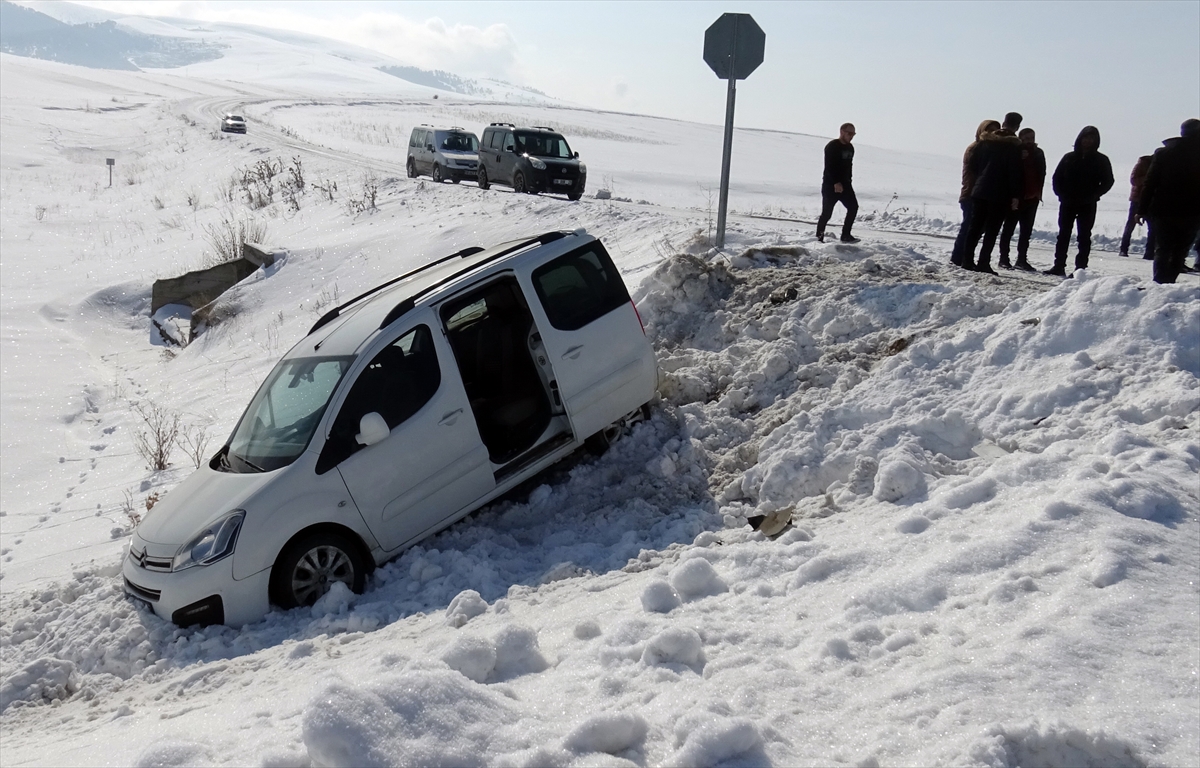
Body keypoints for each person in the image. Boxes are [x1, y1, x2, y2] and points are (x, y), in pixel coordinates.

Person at [1044, 126, 1114, 277]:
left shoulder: (1101, 160)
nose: (1087, 141)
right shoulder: (1069, 157)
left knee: (1084, 236)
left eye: (1091, 138)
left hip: (1087, 203)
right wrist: (1061, 194)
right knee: (1063, 234)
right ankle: (1058, 265)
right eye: (1085, 137)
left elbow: (1108, 181)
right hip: (1067, 202)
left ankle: (1080, 269)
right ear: (1080, 138)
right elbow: (1057, 178)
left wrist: (1095, 195)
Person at [1138, 118, 1200, 284]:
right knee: (1180, 250)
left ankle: (1160, 282)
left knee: (1163, 248)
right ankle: (1169, 281)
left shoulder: (1164, 153)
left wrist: (1141, 209)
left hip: (1163, 209)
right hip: (1191, 211)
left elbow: (1150, 183)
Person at [960, 113, 1022, 274]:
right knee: (992, 229)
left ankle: (967, 260)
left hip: (980, 190)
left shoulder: (985, 142)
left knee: (975, 227)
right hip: (1001, 193)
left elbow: (973, 165)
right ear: (1017, 127)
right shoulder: (1013, 146)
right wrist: (1016, 194)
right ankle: (983, 262)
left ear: (1004, 123)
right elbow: (1014, 172)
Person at [951, 119, 1000, 266]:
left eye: (995, 131)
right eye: (989, 130)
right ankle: (958, 257)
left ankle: (963, 256)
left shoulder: (988, 149)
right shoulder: (976, 148)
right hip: (970, 193)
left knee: (976, 228)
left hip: (980, 194)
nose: (992, 134)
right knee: (968, 227)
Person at [998, 127, 1046, 271]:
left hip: (1032, 198)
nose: (1029, 142)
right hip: (1017, 197)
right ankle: (1003, 258)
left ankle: (1021, 259)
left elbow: (1042, 173)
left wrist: (1038, 193)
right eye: (1025, 139)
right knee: (1009, 228)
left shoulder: (1038, 153)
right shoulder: (1015, 151)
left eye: (1031, 139)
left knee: (1026, 231)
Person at [816, 123, 859, 243]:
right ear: (842, 132)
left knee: (853, 207)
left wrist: (848, 182)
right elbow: (830, 166)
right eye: (849, 133)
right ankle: (818, 238)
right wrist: (836, 182)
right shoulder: (832, 146)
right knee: (827, 214)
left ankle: (846, 235)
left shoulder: (850, 147)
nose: (851, 136)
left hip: (846, 185)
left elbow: (848, 166)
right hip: (831, 186)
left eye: (853, 134)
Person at [1118, 155, 1154, 258]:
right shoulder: (1142, 164)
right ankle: (1123, 249)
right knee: (1130, 225)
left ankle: (1150, 252)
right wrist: (1149, 177)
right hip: (1137, 199)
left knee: (1153, 227)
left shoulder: (1160, 165)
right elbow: (1134, 180)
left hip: (1151, 200)